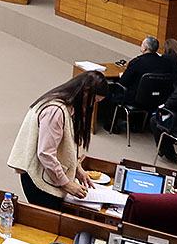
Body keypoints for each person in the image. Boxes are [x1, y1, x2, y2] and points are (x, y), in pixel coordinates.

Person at [7, 71, 109, 210]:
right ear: (86, 92)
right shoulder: (55, 111)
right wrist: (66, 184)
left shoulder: (66, 104)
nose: (93, 105)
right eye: (95, 100)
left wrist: (77, 168)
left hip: (46, 173)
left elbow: (66, 145)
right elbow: (45, 154)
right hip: (39, 179)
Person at [114, 36, 172, 108]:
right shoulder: (165, 63)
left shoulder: (137, 62)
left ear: (145, 48)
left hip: (135, 100)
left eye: (142, 44)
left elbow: (123, 82)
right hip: (157, 100)